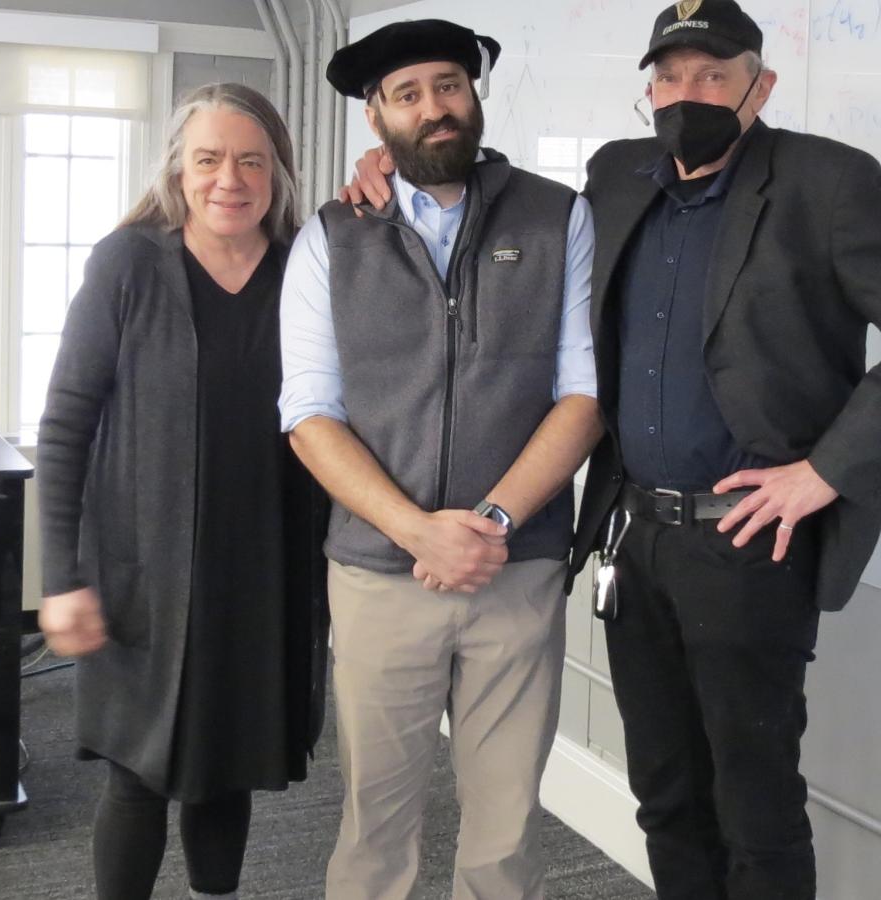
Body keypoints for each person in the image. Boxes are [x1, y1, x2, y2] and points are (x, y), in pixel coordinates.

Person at [344, 2, 881, 896]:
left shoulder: (826, 184)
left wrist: (826, 472)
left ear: (759, 86)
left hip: (747, 544)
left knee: (754, 805)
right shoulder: (618, 176)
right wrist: (391, 163)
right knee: (665, 793)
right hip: (634, 540)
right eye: (672, 76)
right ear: (649, 87)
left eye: (715, 76)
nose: (689, 93)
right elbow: (496, 197)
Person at [277, 19, 603, 900]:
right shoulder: (329, 240)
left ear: (475, 94)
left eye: (449, 86)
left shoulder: (556, 216)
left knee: (504, 833)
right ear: (376, 116)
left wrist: (491, 524)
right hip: (382, 575)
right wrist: (419, 529)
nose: (435, 108)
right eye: (408, 94)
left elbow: (584, 395)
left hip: (516, 570)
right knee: (374, 830)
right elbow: (309, 416)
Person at [36, 83, 328, 900]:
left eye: (250, 160)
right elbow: (64, 428)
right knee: (137, 776)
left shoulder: (307, 267)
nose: (228, 179)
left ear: (278, 171)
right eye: (208, 160)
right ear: (178, 168)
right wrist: (61, 576)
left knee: (225, 770)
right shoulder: (128, 262)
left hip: (263, 569)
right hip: (142, 573)